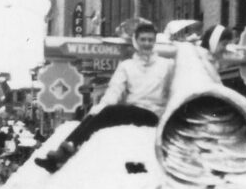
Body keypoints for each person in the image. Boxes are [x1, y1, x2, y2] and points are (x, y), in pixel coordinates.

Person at [36, 21, 174, 173]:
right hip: (132, 112)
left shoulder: (166, 65)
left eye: (150, 40)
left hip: (153, 114)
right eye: (143, 39)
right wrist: (99, 108)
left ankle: (67, 148)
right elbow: (115, 90)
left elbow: (175, 91)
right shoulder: (127, 66)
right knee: (94, 116)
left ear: (154, 41)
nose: (146, 44)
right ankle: (60, 155)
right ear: (136, 41)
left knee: (109, 112)